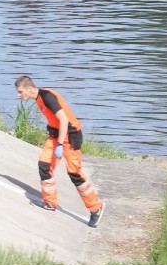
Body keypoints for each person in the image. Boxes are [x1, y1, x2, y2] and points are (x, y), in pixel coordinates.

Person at [14, 76, 104, 227]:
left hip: (71, 135)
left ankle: (96, 207)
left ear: (30, 89)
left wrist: (60, 144)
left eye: (20, 91)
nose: (19, 95)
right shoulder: (38, 98)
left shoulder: (47, 97)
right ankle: (50, 202)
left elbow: (63, 120)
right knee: (44, 165)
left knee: (74, 172)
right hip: (55, 135)